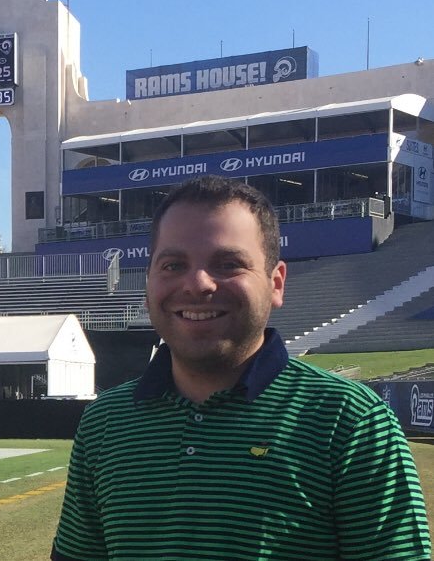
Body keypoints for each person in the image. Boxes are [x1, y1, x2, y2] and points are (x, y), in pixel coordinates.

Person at [51, 175, 431, 560]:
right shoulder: (104, 422)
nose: (198, 283)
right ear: (148, 281)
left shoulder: (351, 420)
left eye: (229, 263)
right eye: (172, 265)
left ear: (276, 283)